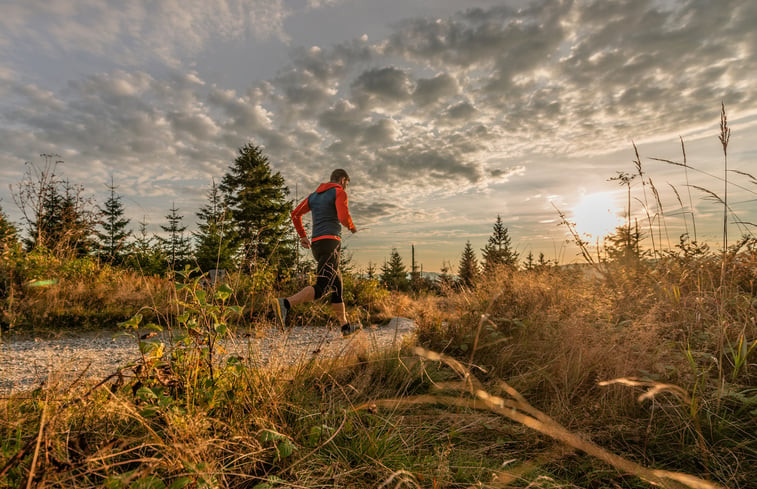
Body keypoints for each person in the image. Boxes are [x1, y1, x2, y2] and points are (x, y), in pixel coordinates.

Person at [275, 169, 359, 337]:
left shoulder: (313, 196)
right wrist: (351, 227)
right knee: (321, 287)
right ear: (343, 180)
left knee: (337, 286)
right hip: (331, 243)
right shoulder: (339, 192)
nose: (346, 187)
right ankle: (285, 304)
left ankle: (345, 327)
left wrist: (303, 236)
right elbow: (343, 217)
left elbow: (295, 214)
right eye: (347, 184)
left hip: (317, 245)